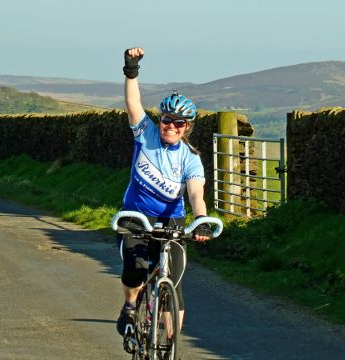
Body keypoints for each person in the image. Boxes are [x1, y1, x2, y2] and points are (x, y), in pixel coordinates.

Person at [116, 47, 213, 337]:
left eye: (178, 123)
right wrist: (131, 70)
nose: (170, 126)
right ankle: (130, 307)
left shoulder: (190, 158)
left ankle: (169, 347)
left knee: (175, 285)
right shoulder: (145, 134)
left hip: (172, 222)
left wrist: (202, 219)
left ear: (186, 128)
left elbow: (196, 192)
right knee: (135, 269)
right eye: (166, 120)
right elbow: (133, 104)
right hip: (136, 217)